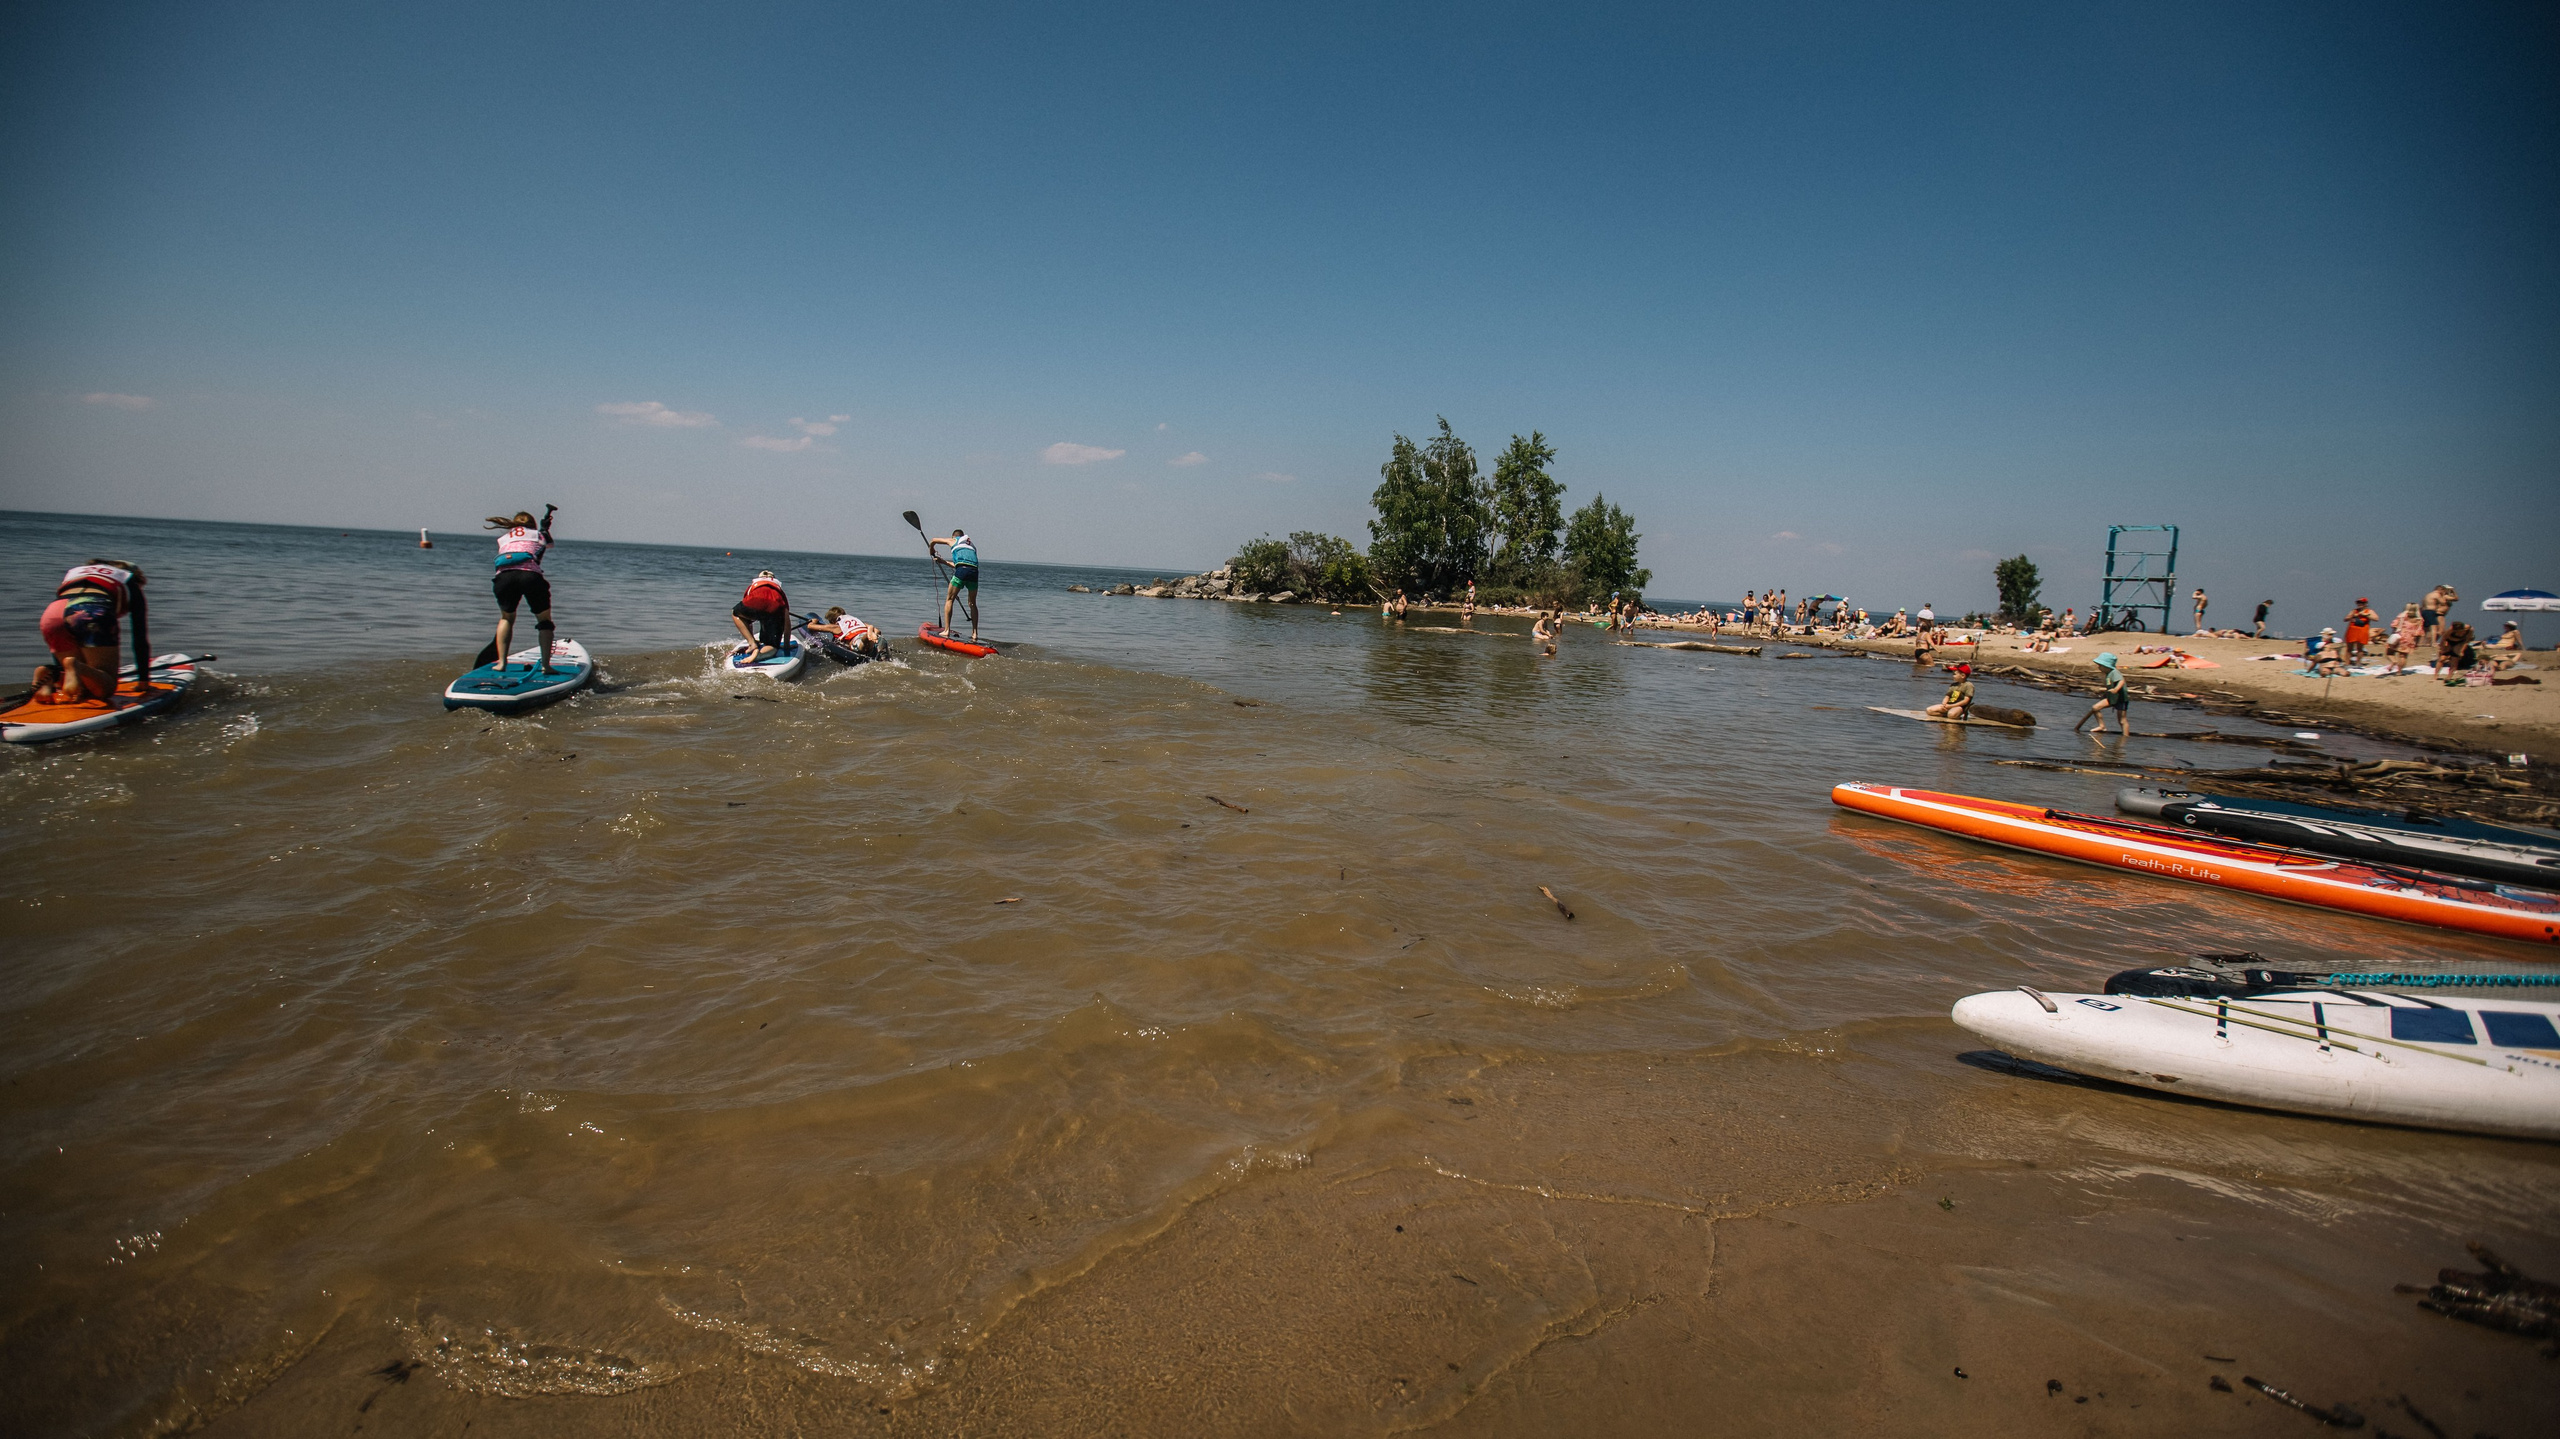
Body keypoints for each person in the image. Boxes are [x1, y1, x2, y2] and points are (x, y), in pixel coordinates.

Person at [41, 557, 150, 703]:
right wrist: (143, 679)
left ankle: (50, 676)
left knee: (84, 686)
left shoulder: (75, 573)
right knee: (106, 687)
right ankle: (76, 666)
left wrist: (59, 669)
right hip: (92, 609)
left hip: (53, 612)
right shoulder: (127, 578)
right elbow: (139, 636)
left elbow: (63, 624)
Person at [481, 506, 558, 672]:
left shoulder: (504, 538)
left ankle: (501, 663)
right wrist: (544, 530)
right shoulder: (539, 535)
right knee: (545, 622)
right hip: (530, 576)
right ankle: (546, 665)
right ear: (532, 524)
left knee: (507, 618)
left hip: (503, 578)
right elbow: (549, 545)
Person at [927, 529, 981, 639]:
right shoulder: (971, 545)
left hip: (962, 571)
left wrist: (931, 549)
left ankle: (946, 630)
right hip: (974, 572)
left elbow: (933, 540)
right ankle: (975, 633)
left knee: (950, 599)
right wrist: (943, 561)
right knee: (972, 603)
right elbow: (962, 564)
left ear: (954, 537)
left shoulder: (953, 540)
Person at [732, 570, 792, 659]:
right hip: (774, 609)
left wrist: (751, 638)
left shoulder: (752, 586)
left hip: (754, 604)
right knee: (772, 645)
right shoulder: (778, 590)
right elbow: (787, 623)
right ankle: (760, 654)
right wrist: (786, 645)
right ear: (774, 579)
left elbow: (747, 620)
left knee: (736, 613)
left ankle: (752, 644)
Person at [2072, 652, 2130, 736]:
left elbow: (2121, 681)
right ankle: (2102, 726)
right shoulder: (2108, 674)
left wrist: (2116, 689)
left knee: (2122, 720)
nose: (2099, 667)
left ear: (2106, 666)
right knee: (2095, 707)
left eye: (2100, 665)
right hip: (2111, 698)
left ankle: (2125, 736)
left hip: (2120, 699)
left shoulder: (2114, 672)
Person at [814, 605, 880, 658]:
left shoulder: (835, 627)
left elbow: (810, 626)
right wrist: (874, 631)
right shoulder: (860, 623)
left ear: (833, 621)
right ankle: (870, 631)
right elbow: (878, 631)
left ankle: (867, 636)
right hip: (865, 633)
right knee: (869, 643)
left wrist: (814, 622)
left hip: (857, 640)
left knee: (861, 646)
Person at [2384, 603, 2422, 675]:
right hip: (2410, 638)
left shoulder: (2402, 616)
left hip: (2400, 635)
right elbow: (2419, 633)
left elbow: (2394, 625)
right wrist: (2417, 643)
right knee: (2403, 656)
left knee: (2389, 652)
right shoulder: (2419, 620)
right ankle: (2399, 671)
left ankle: (2393, 661)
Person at [2343, 597, 2377, 665]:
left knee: (2360, 648)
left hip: (2362, 630)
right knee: (2349, 648)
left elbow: (2376, 618)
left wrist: (2366, 615)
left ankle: (2358, 663)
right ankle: (2347, 663)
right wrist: (2352, 616)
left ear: (2365, 604)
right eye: (2359, 602)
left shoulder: (2369, 611)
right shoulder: (2354, 611)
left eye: (2362, 603)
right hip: (2352, 630)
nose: (2360, 604)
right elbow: (2345, 619)